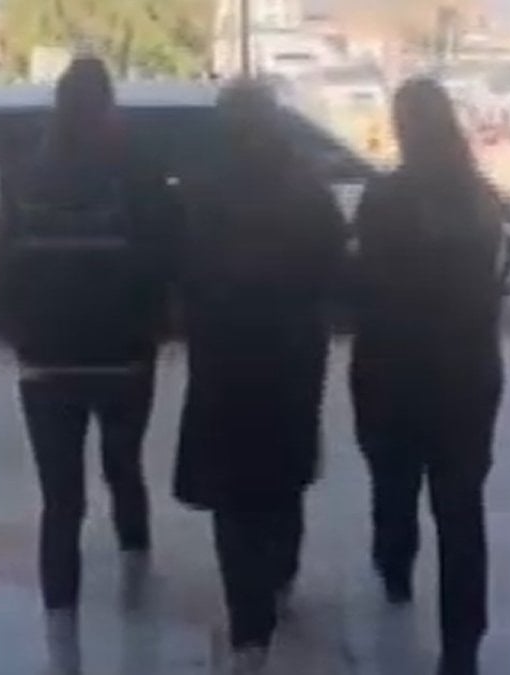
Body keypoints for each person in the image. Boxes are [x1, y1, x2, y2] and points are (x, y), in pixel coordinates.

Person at [0, 55, 179, 675]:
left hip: (46, 364)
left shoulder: (24, 176)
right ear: (107, 108)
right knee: (125, 468)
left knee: (60, 499)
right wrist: (154, 325)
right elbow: (166, 257)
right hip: (123, 357)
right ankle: (136, 576)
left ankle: (61, 627)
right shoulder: (138, 172)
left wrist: (18, 333)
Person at [172, 80, 347, 674]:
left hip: (223, 355)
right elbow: (335, 267)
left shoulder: (198, 190)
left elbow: (176, 270)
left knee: (233, 495)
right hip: (293, 354)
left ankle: (248, 629)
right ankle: (279, 577)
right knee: (284, 474)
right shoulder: (307, 188)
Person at [349, 77, 507, 675]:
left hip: (395, 373)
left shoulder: (384, 199)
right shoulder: (481, 200)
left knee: (393, 485)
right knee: (461, 512)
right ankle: (462, 646)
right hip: (467, 376)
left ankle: (395, 565)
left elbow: (364, 285)